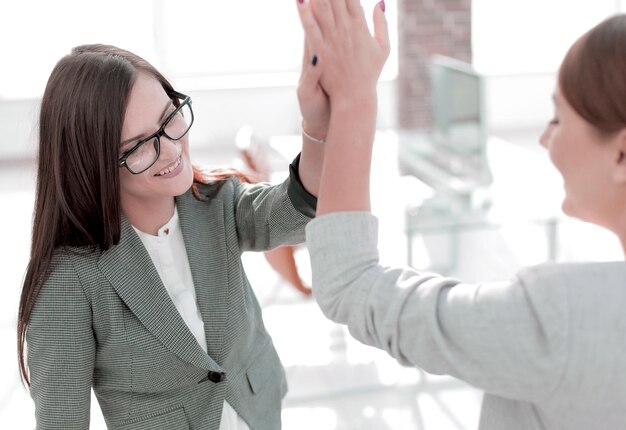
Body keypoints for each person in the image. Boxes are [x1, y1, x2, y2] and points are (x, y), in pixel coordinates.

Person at [304, 6, 626, 430]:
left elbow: (348, 283)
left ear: (621, 154)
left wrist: (352, 97)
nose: (545, 139)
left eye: (558, 117)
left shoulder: (563, 320)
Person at [17, 5, 332, 426]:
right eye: (140, 145)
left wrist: (318, 120)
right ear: (92, 163)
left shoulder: (217, 204)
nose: (172, 150)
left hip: (258, 413)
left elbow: (295, 209)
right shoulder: (71, 281)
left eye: (170, 118)